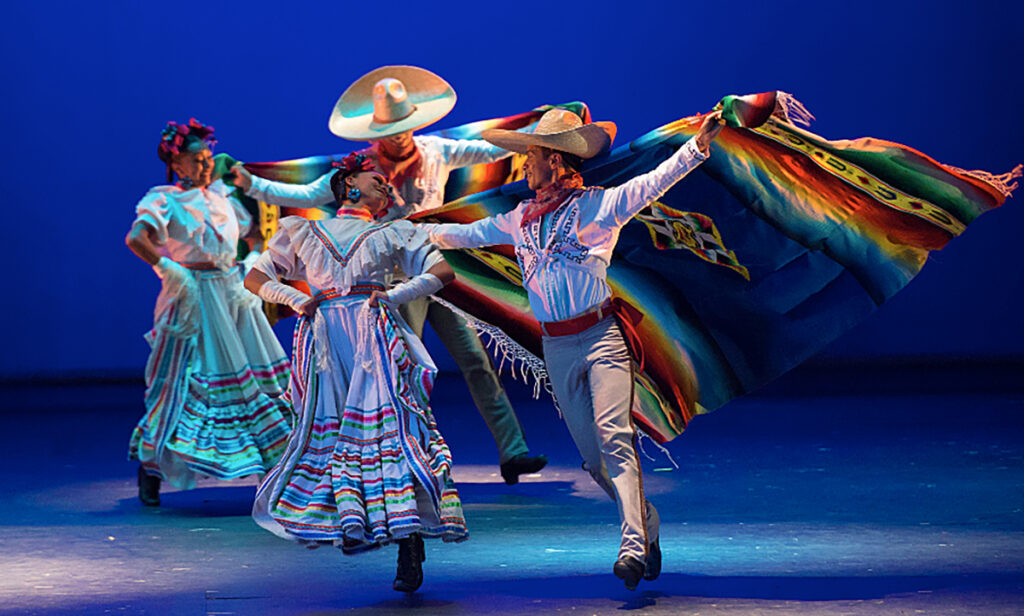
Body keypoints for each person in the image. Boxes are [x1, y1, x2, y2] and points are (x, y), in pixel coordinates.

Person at [419, 107, 724, 590]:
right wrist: (411, 232)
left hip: (602, 339)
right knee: (593, 460)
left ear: (556, 161)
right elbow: (465, 235)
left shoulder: (599, 207)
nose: (523, 167)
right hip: (556, 349)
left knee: (614, 437)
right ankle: (647, 521)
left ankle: (631, 544)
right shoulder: (521, 218)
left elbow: (653, 183)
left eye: (531, 157)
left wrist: (697, 146)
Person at [230, 65, 546, 484]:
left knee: (474, 360)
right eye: (392, 128)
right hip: (388, 280)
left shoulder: (436, 151)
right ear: (374, 131)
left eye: (406, 126)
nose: (401, 135)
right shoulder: (357, 173)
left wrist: (536, 131)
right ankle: (409, 450)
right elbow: (302, 194)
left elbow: (488, 151)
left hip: (434, 267)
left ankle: (513, 452)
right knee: (402, 365)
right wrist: (249, 182)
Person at [247, 152, 468, 593]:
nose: (387, 186)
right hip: (327, 340)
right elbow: (256, 276)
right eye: (377, 179)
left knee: (393, 433)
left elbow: (442, 270)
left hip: (374, 337)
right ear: (349, 184)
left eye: (388, 182)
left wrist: (395, 295)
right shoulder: (303, 230)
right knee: (335, 441)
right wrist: (293, 299)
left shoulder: (394, 231)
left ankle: (408, 540)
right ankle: (351, 520)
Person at [124, 118, 293, 506]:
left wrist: (250, 260)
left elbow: (253, 232)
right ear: (177, 163)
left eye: (207, 158)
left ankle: (273, 469)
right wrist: (169, 268)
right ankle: (152, 468)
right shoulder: (164, 198)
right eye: (195, 160)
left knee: (255, 377)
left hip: (231, 293)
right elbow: (137, 238)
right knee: (184, 380)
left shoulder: (222, 196)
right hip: (193, 296)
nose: (204, 166)